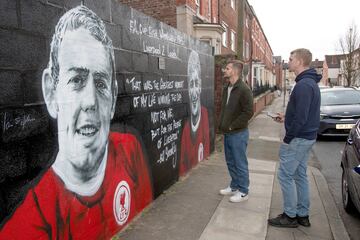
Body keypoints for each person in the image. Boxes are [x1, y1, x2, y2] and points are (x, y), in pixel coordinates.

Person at [0, 6, 153, 239]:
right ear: (51, 93)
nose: (90, 101)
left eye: (100, 83)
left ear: (112, 98)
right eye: (77, 80)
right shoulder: (29, 225)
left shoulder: (129, 149)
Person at [268, 48, 321, 228]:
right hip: (306, 137)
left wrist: (288, 137)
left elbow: (302, 117)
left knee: (285, 175)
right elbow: (300, 113)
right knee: (299, 175)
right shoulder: (308, 82)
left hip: (298, 139)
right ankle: (302, 215)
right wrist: (286, 117)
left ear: (299, 62)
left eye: (291, 59)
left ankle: (290, 216)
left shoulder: (304, 84)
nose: (288, 62)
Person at [218, 60, 254, 203]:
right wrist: (223, 125)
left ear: (235, 71)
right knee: (231, 161)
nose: (224, 70)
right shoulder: (227, 87)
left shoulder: (244, 89)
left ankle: (244, 191)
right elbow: (225, 108)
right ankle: (234, 186)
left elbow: (248, 112)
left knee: (240, 163)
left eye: (227, 68)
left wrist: (233, 126)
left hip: (238, 133)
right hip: (228, 132)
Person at [179, 50, 210, 175]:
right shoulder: (186, 131)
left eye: (196, 83)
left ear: (201, 85)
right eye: (191, 84)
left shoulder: (205, 115)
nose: (194, 91)